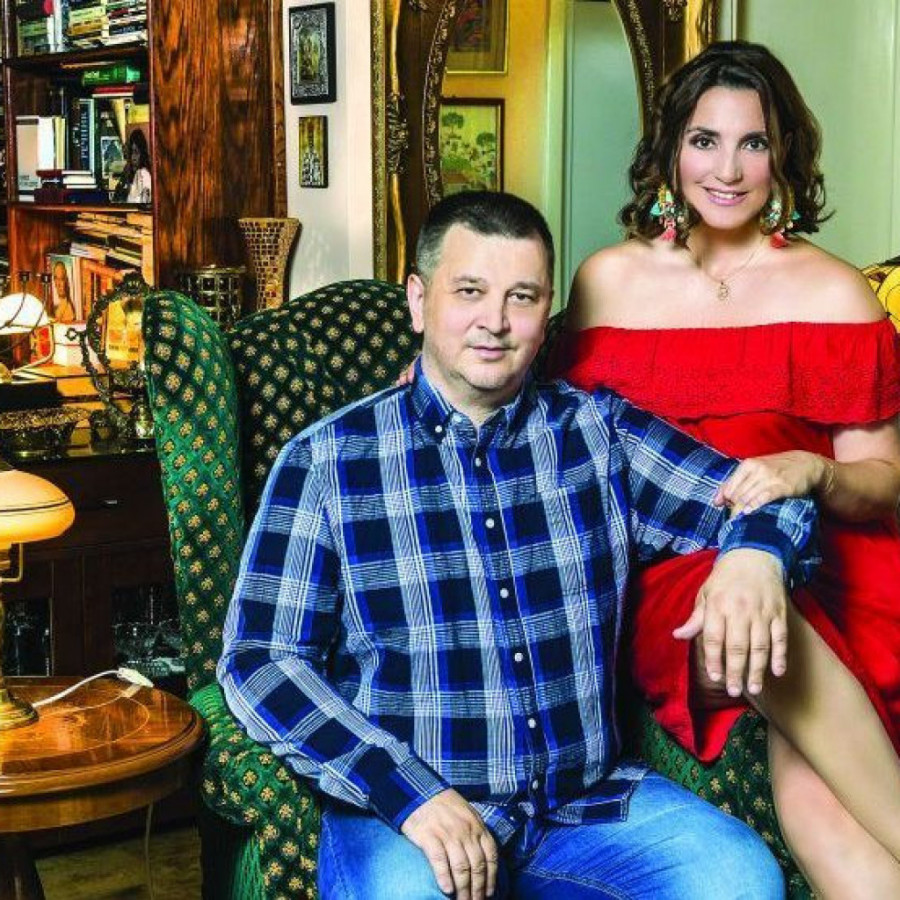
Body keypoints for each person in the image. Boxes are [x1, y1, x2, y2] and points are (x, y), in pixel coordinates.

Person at [219, 190, 819, 900]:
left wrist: (753, 558)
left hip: (584, 806)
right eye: (469, 291)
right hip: (410, 817)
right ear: (418, 301)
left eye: (522, 297)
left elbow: (767, 494)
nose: (495, 322)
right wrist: (406, 791)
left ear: (546, 312)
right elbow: (260, 660)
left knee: (739, 879)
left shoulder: (600, 434)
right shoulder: (327, 460)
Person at [554, 40, 900, 898]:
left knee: (816, 800)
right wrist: (430, 369)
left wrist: (812, 471)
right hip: (675, 563)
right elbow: (543, 407)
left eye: (754, 143)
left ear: (783, 156)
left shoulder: (834, 292)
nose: (728, 169)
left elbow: (883, 483)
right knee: (750, 614)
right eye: (705, 141)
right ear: (671, 149)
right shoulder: (606, 281)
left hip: (836, 558)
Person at [113, 129, 152, 204]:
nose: (133, 157)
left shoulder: (143, 174)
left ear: (142, 154)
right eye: (131, 152)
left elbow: (145, 202)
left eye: (136, 152)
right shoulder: (128, 175)